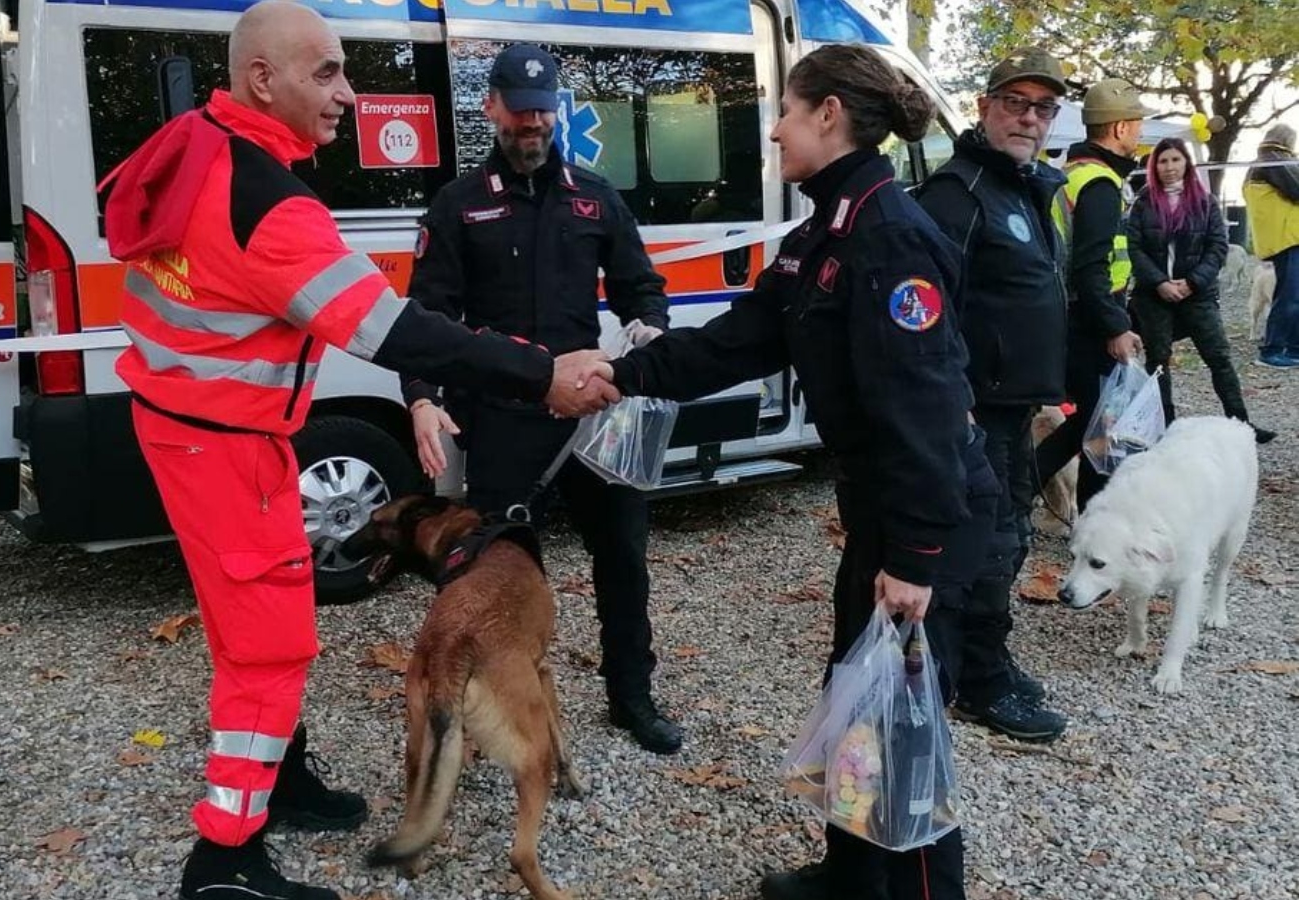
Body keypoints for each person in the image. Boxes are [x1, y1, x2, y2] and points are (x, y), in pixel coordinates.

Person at [100, 5, 615, 898]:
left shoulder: (201, 145)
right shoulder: (267, 199)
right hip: (223, 445)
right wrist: (540, 373)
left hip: (191, 428)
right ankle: (224, 859)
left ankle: (279, 783)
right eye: (330, 72)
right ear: (264, 79)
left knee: (256, 620)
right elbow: (396, 330)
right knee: (270, 647)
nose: (351, 93)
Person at [571, 43, 996, 900]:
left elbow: (928, 412)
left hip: (925, 518)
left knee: (902, 731)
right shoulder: (825, 231)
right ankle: (848, 876)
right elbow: (740, 339)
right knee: (855, 698)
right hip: (880, 508)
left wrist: (914, 558)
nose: (774, 132)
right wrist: (623, 373)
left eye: (788, 113)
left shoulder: (890, 238)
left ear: (829, 114)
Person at [402, 43, 682, 755]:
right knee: (496, 577)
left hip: (588, 422)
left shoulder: (595, 196)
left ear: (556, 109)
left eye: (542, 109)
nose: (531, 123)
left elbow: (640, 289)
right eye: (518, 109)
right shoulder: (458, 206)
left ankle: (632, 697)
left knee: (623, 558)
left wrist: (647, 340)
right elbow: (426, 319)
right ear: (491, 106)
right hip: (502, 423)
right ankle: (495, 700)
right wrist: (423, 398)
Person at [915, 46, 1071, 743]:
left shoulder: (1024, 185)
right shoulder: (959, 193)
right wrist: (958, 402)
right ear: (984, 107)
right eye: (1016, 103)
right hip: (973, 409)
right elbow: (928, 311)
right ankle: (979, 678)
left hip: (1013, 403)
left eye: (1043, 108)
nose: (1029, 118)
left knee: (1007, 541)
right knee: (988, 545)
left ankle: (984, 661)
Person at [1035, 78, 1151, 513]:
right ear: (1119, 128)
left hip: (1069, 315)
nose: (1140, 131)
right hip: (1089, 321)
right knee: (1099, 427)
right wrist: (1115, 326)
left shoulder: (1073, 172)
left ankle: (1021, 490)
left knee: (1089, 421)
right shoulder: (1100, 184)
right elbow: (1090, 267)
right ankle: (1085, 517)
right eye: (1137, 122)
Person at [1128, 137, 1276, 441]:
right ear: (1154, 165)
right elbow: (1135, 248)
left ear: (1186, 163)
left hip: (1197, 293)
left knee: (1219, 357)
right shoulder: (1143, 202)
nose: (1169, 167)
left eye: (1175, 160)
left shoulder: (1204, 201)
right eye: (1163, 161)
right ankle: (1163, 427)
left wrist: (1193, 281)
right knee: (1158, 361)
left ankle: (1240, 423)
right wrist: (1159, 282)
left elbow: (1217, 246)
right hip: (1154, 296)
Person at [1243, 123, 1299, 368]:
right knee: (1289, 296)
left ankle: (1293, 348)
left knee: (1293, 294)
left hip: (1283, 238)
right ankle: (1273, 350)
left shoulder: (1262, 163)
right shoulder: (1274, 161)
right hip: (1289, 238)